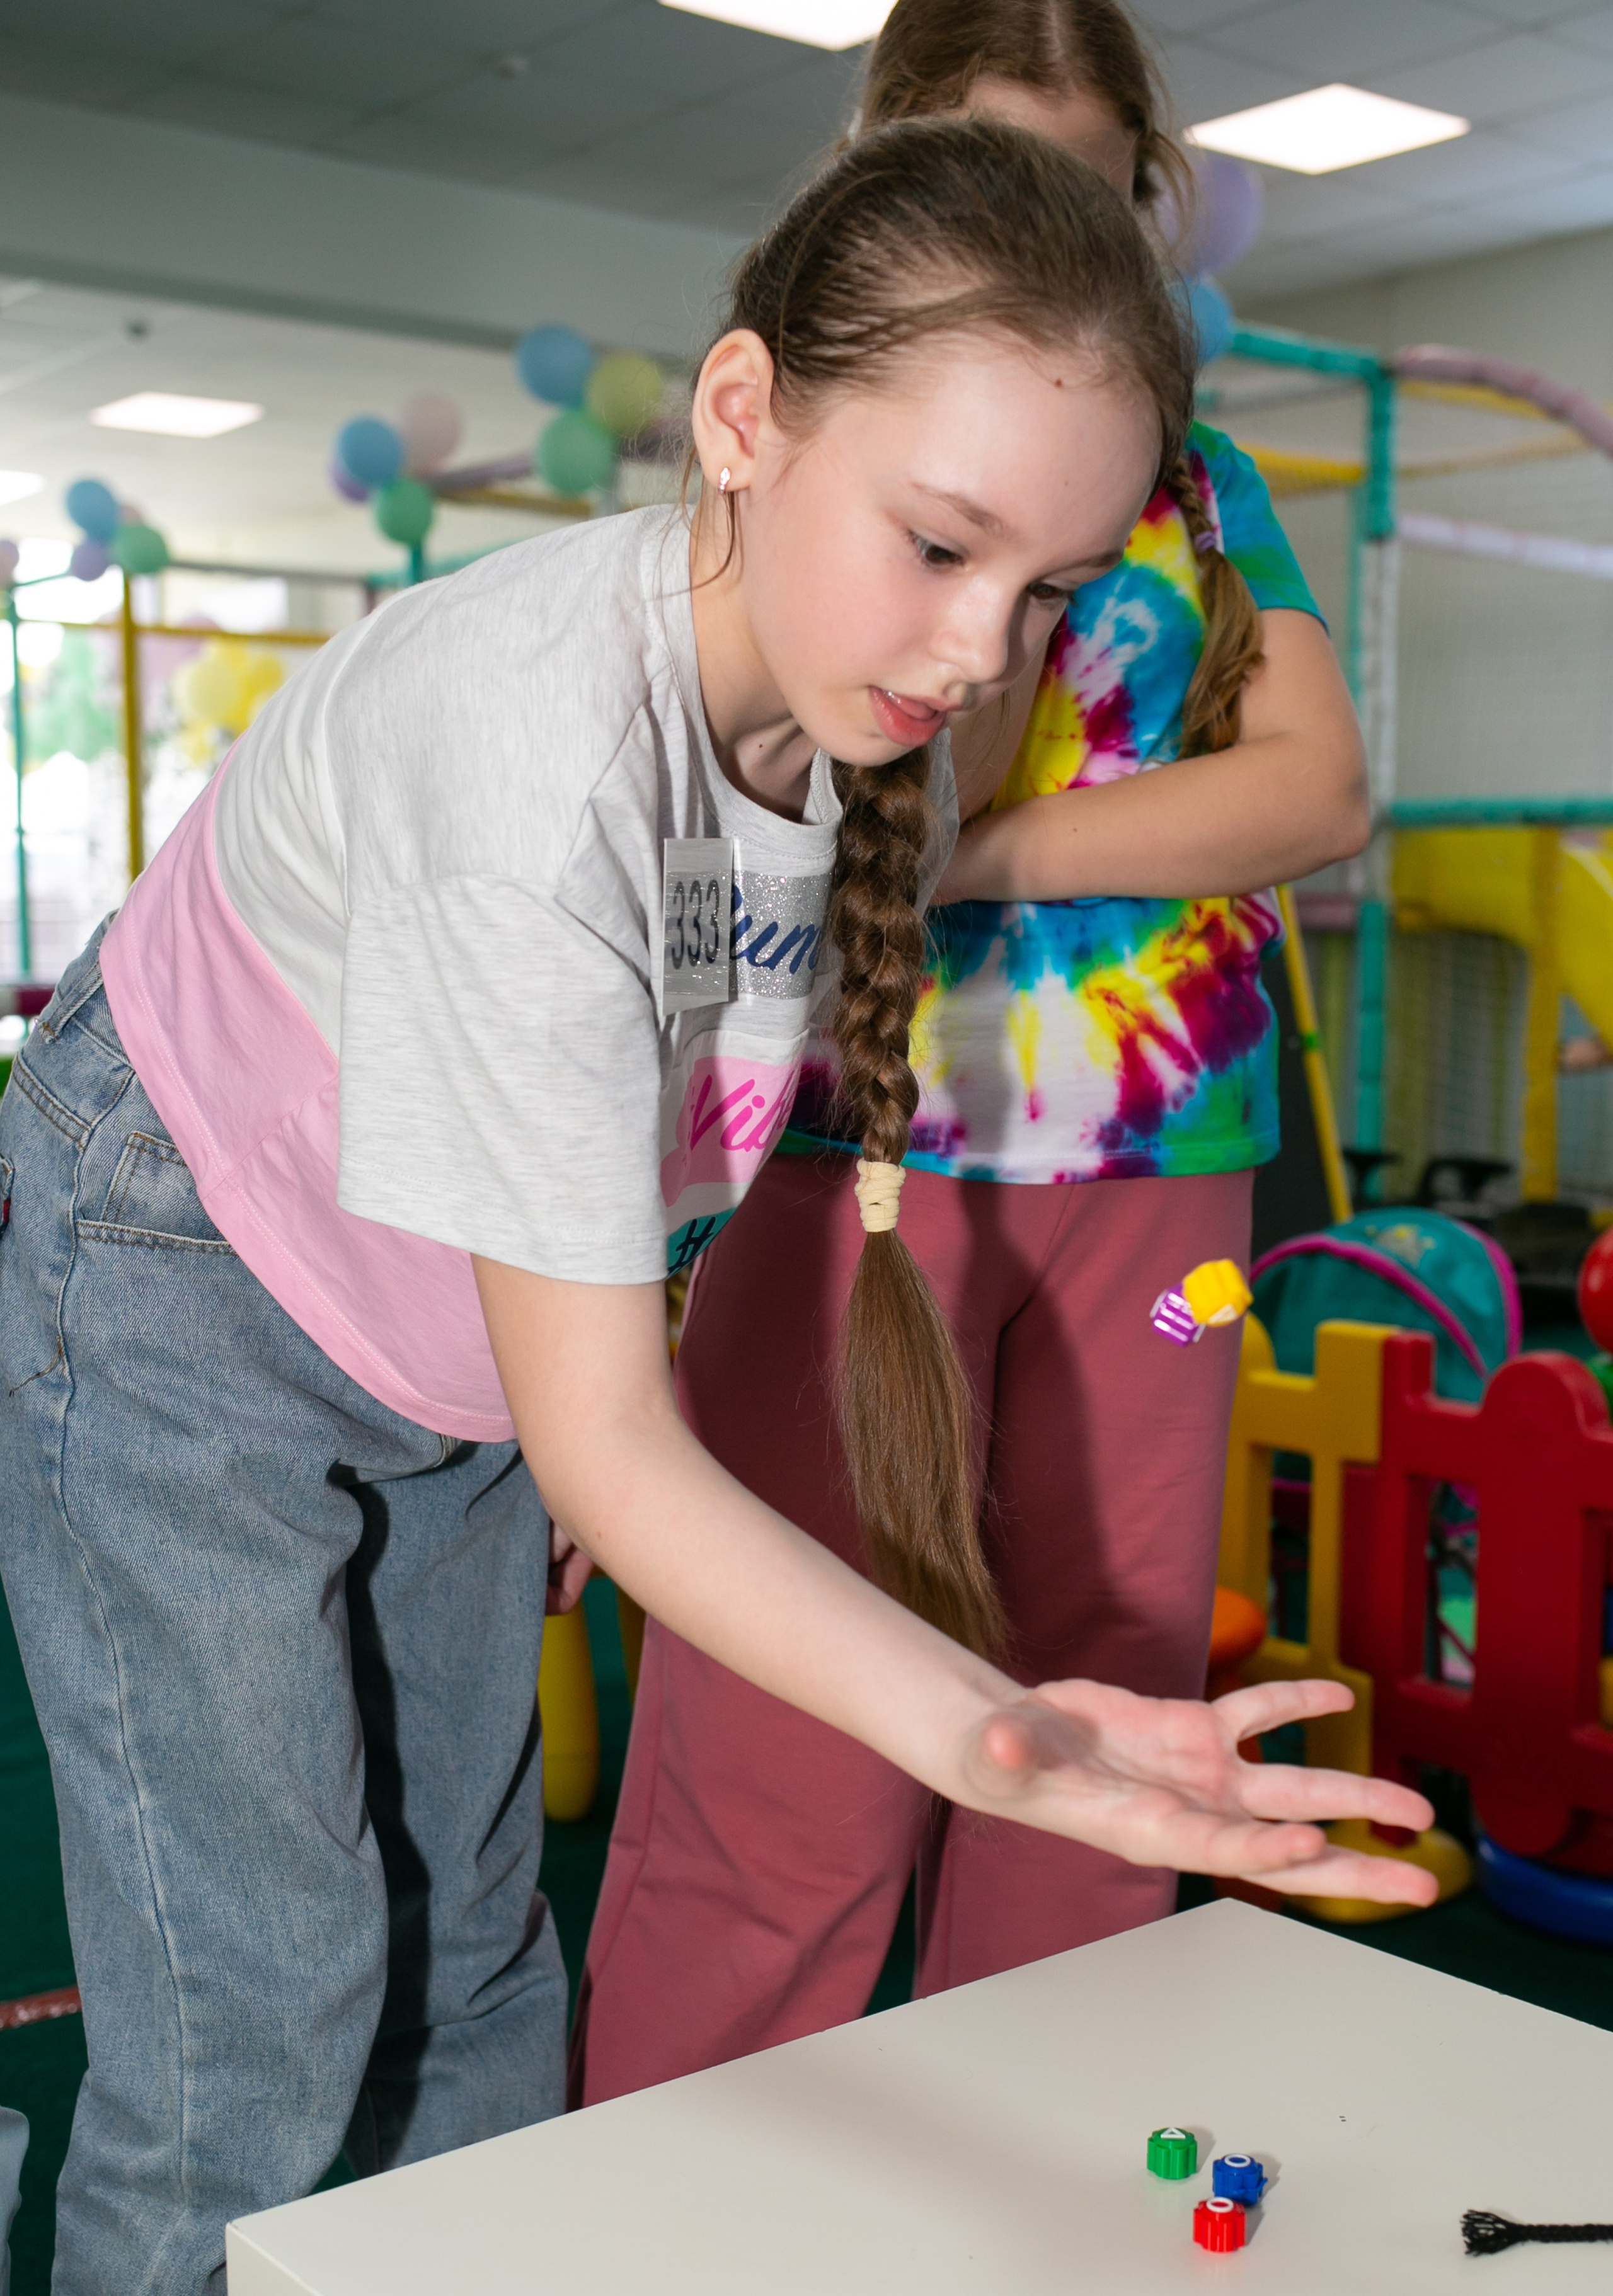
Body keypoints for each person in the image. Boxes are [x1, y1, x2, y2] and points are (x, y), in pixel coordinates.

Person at [0, 120, 1426, 2295]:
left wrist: (590, 1373)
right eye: (940, 543)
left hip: (443, 1317)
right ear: (745, 418)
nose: (984, 650)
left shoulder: (874, 727)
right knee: (260, 2012)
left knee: (478, 1960)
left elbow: (686, 1097)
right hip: (186, 1278)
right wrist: (1004, 1736)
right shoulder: (537, 761)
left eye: (1051, 587)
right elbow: (617, 1443)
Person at [570, 0, 1370, 2108]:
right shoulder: (819, 462)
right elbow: (771, 799)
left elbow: (1313, 790)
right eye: (991, 183)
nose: (1052, 245)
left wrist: (967, 855)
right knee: (791, 1748)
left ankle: (1047, 2170)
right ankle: (682, 2187)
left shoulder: (1201, 485)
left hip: (1165, 1194)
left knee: (1111, 1687)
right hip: (850, 1164)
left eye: (1093, 197)